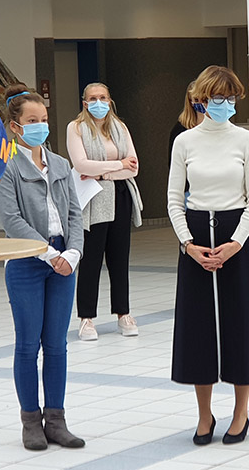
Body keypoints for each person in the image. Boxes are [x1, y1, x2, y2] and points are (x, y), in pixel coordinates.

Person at [167, 65, 249, 446]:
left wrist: (238, 241)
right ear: (201, 99)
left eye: (231, 98)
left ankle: (241, 412)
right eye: (217, 98)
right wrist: (187, 244)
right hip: (196, 237)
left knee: (240, 324)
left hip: (235, 238)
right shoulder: (185, 142)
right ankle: (203, 414)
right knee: (198, 328)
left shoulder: (246, 140)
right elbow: (174, 199)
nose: (224, 104)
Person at [0, 84, 86, 451]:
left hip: (65, 260)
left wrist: (73, 254)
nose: (40, 127)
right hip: (28, 261)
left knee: (57, 345)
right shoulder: (6, 167)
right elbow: (11, 220)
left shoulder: (60, 164)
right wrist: (48, 254)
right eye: (32, 121)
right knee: (28, 345)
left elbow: (75, 214)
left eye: (44, 120)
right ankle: (31, 421)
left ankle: (57, 419)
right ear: (15, 127)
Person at [67, 82, 144, 342]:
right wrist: (117, 165)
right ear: (84, 102)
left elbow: (133, 167)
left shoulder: (120, 128)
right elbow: (80, 165)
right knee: (90, 260)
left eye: (103, 97)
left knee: (119, 259)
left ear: (110, 101)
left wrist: (101, 171)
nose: (98, 102)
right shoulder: (76, 128)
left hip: (121, 196)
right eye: (92, 98)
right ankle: (86, 318)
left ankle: (123, 313)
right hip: (94, 199)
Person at [169, 80, 205, 166]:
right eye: (196, 99)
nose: (201, 103)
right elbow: (174, 163)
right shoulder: (180, 129)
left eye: (204, 99)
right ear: (190, 101)